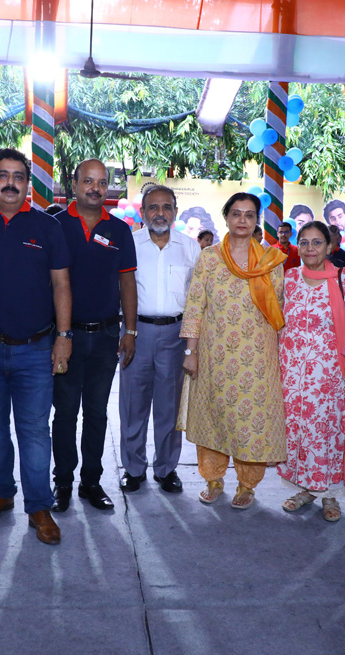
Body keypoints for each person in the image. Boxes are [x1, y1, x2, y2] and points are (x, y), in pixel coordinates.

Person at [0, 148, 71, 546]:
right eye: (2, 175)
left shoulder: (48, 227)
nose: (10, 183)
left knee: (35, 431)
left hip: (36, 348)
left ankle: (39, 506)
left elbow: (61, 284)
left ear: (28, 184)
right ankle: (0, 494)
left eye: (18, 176)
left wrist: (64, 337)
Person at [180, 193, 287, 509]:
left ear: (256, 221)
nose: (242, 220)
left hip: (257, 357)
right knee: (213, 417)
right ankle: (213, 479)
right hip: (214, 355)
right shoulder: (209, 258)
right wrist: (191, 352)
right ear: (226, 217)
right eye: (236, 213)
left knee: (250, 422)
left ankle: (247, 485)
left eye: (249, 215)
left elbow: (278, 309)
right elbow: (195, 305)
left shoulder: (271, 261)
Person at [51, 159, 138, 512]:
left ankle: (91, 481)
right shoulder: (55, 226)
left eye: (102, 183)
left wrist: (130, 330)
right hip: (65, 337)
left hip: (105, 336)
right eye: (88, 181)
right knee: (65, 413)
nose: (95, 188)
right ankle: (63, 482)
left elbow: (127, 282)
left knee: (97, 413)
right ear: (74, 184)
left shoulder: (119, 230)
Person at [277, 221, 345, 522]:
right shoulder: (289, 278)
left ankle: (330, 495)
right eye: (304, 242)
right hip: (291, 376)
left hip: (329, 378)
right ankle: (304, 489)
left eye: (317, 242)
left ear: (329, 247)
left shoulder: (344, 280)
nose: (310, 248)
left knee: (326, 435)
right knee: (298, 434)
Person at [120, 184, 200, 494]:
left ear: (176, 212)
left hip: (174, 336)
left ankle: (166, 469)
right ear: (142, 212)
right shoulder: (130, 244)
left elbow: (196, 299)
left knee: (169, 407)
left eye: (166, 207)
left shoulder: (190, 248)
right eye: (153, 207)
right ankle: (133, 469)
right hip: (136, 333)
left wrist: (192, 346)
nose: (160, 213)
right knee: (133, 405)